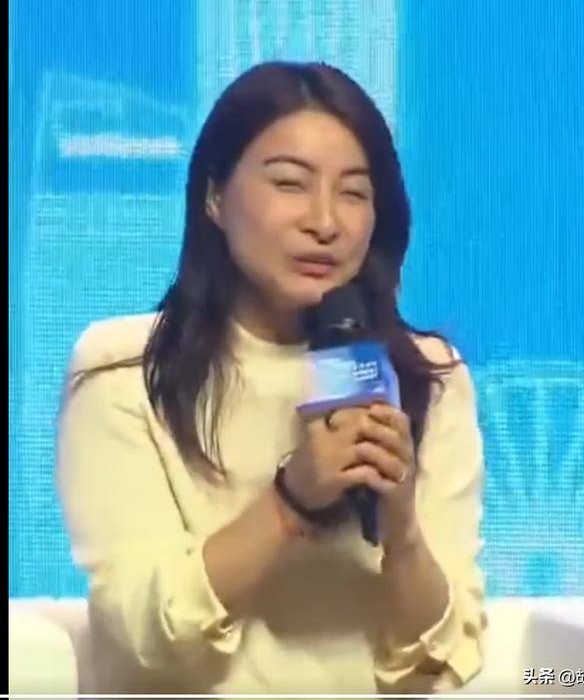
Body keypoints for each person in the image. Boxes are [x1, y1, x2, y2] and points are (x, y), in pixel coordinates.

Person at [56, 61, 487, 694]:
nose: (325, 222)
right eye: (290, 183)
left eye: (354, 193)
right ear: (214, 196)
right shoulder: (124, 373)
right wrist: (291, 502)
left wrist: (401, 528)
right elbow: (148, 637)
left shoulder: (426, 377)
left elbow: (439, 662)